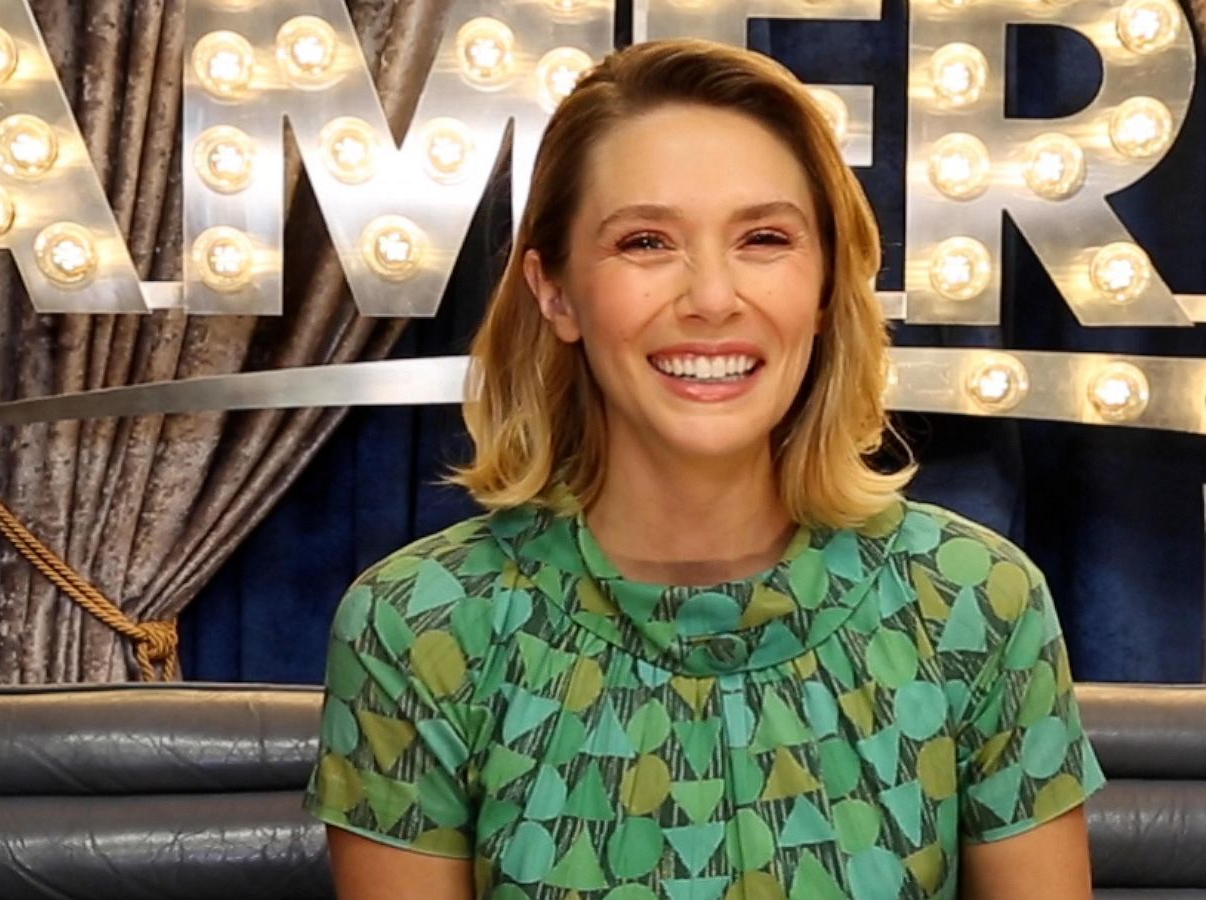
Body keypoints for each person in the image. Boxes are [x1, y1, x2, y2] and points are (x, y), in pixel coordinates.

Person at [304, 37, 1105, 900]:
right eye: (647, 242)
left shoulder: (975, 600)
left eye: (764, 238)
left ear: (828, 282)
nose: (714, 297)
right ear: (556, 293)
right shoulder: (420, 625)